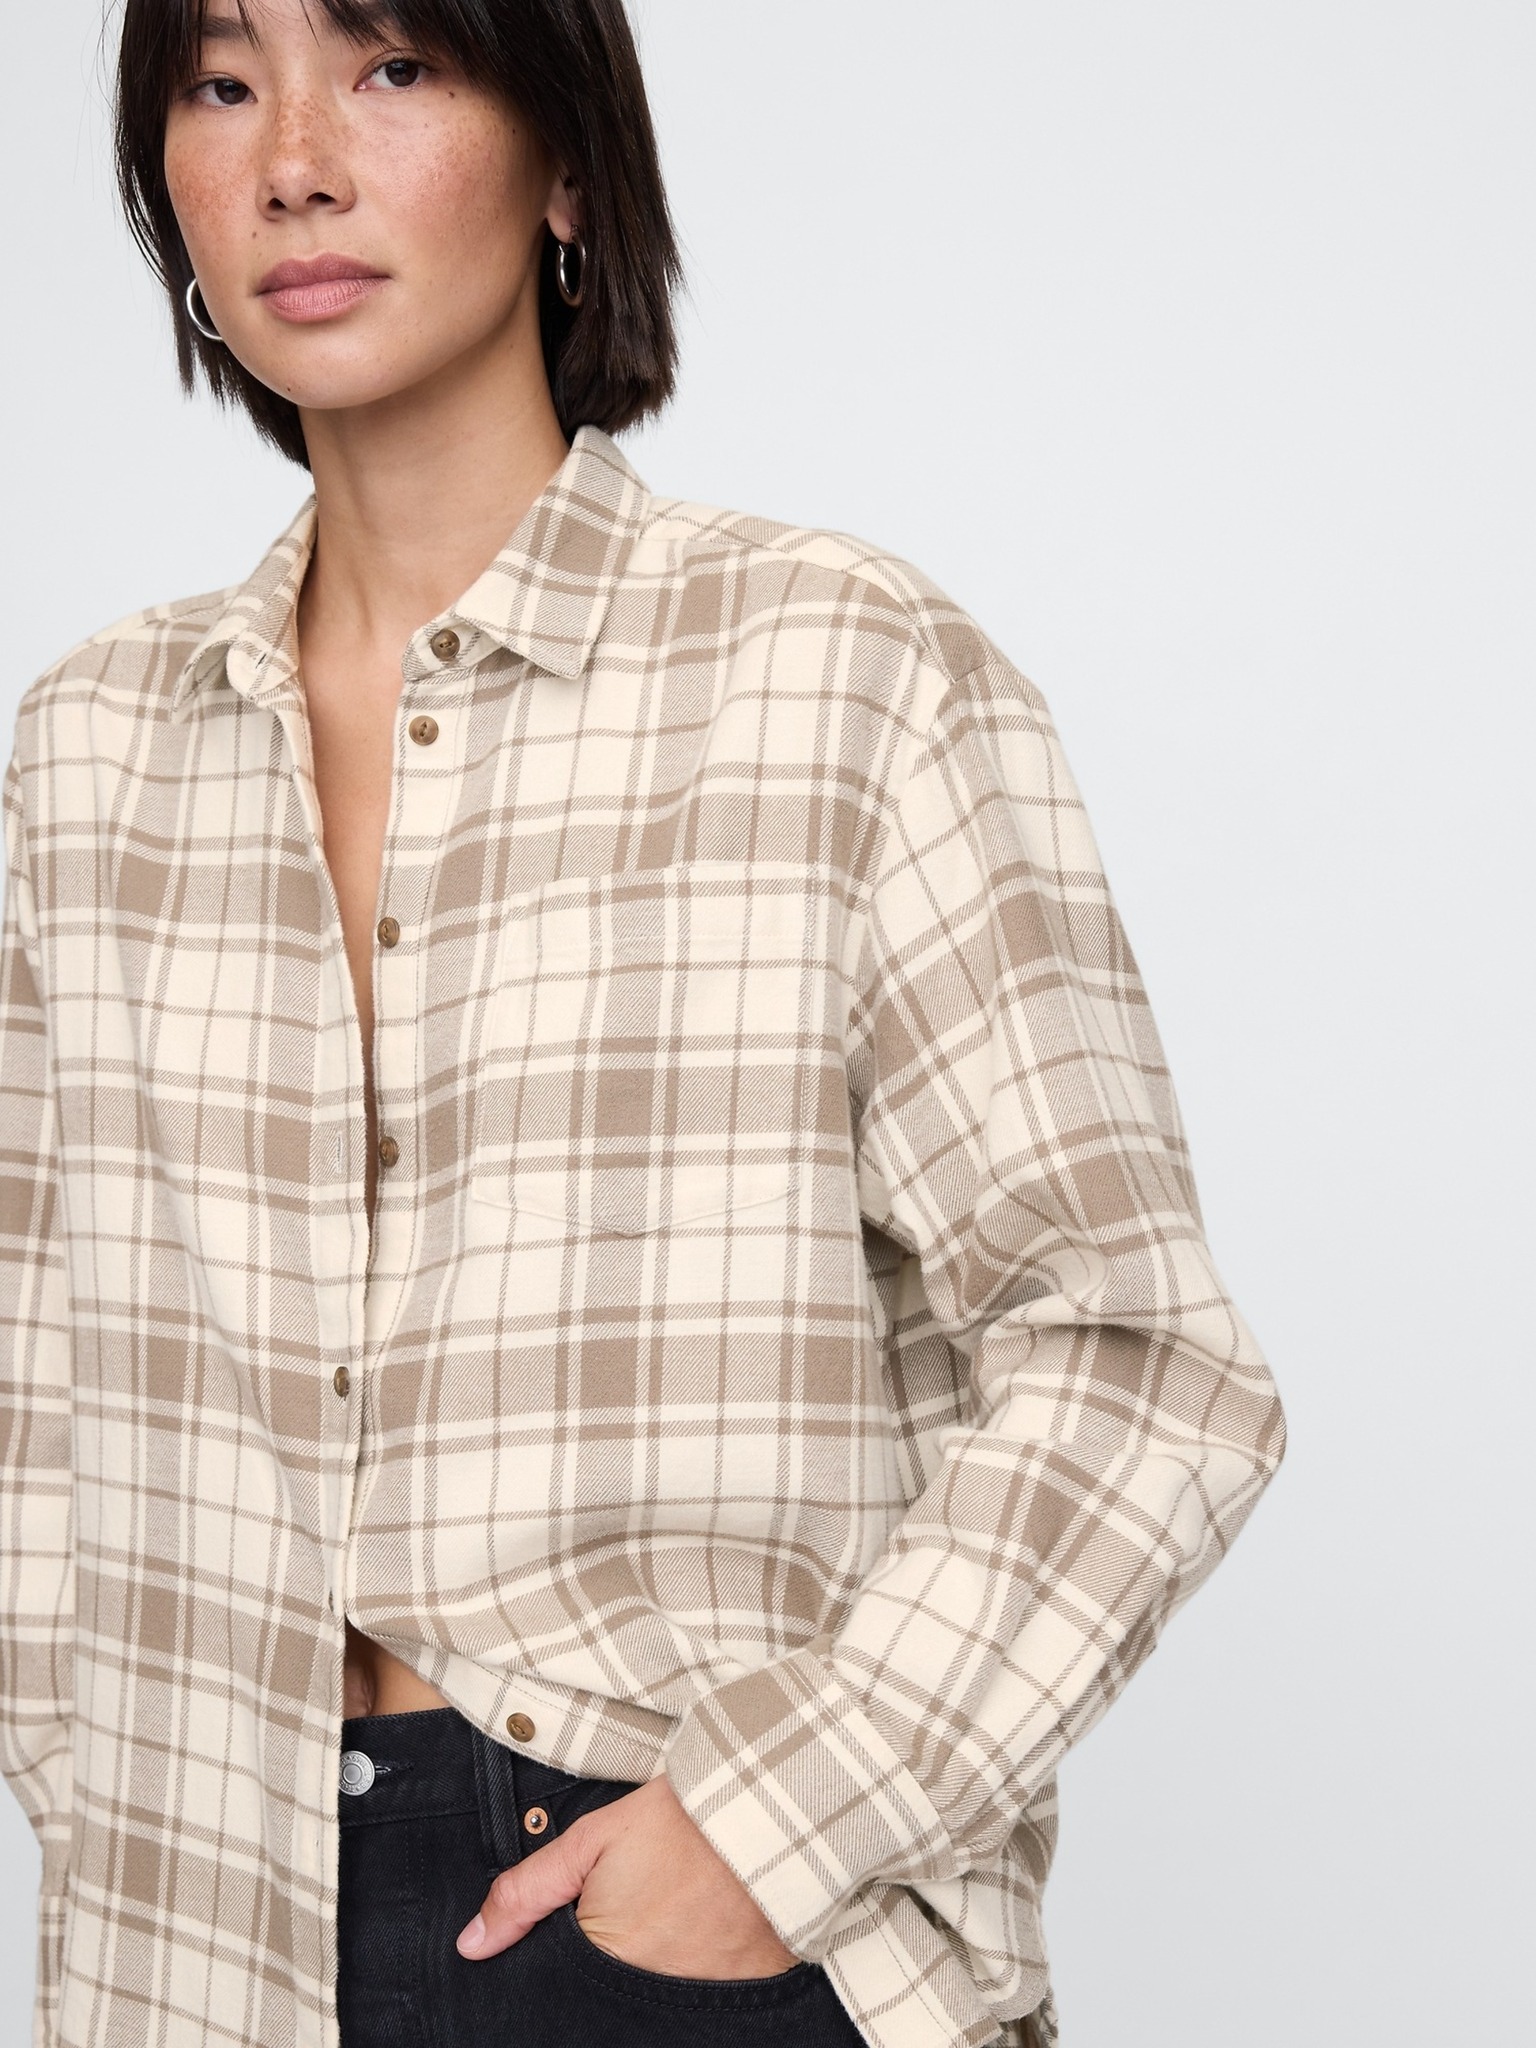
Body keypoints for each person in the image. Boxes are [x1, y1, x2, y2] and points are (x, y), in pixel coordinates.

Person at [0, 3, 1287, 2044]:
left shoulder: (842, 673)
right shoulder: (89, 748)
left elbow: (1140, 1360)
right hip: (198, 1937)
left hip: (665, 1895)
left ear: (570, 164)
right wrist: (99, 1798)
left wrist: (776, 1828)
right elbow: (32, 1385)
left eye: (392, 68)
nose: (295, 163)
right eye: (221, 84)